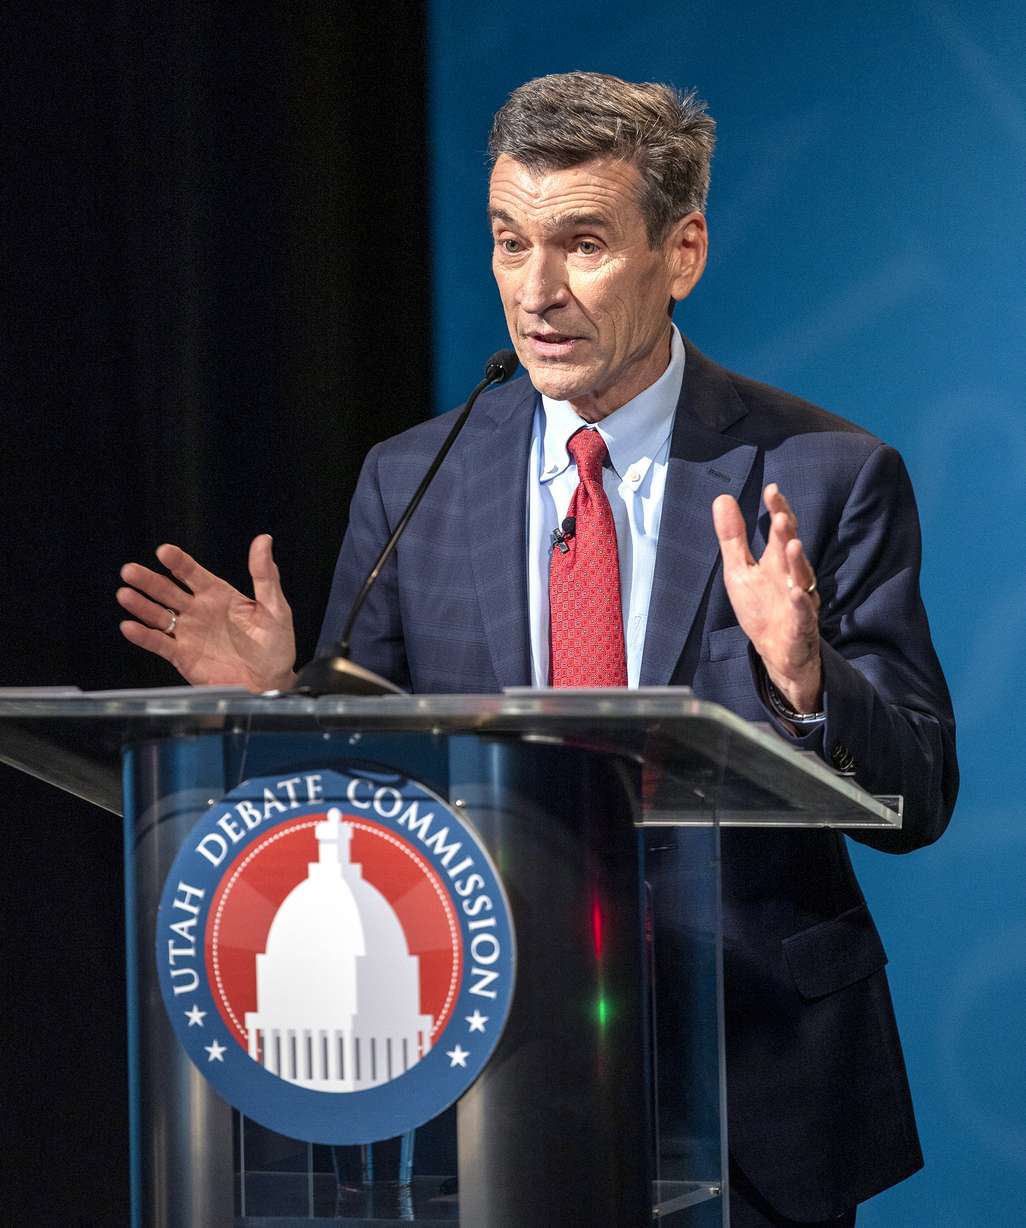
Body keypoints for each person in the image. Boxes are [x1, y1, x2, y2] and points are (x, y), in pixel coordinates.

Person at [118, 72, 957, 1227]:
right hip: (477, 1077)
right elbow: (367, 798)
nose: (538, 292)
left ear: (685, 251)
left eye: (584, 245)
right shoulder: (414, 479)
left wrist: (806, 681)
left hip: (752, 1079)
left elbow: (918, 801)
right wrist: (280, 699)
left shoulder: (823, 474)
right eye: (511, 243)